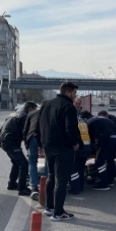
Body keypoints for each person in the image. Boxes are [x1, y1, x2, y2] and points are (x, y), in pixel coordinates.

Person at [36, 81, 81, 221]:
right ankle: (58, 212)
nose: (75, 96)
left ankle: (49, 208)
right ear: (68, 92)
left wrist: (40, 144)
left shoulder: (47, 104)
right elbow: (71, 128)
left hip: (48, 146)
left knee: (51, 176)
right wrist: (75, 142)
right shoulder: (68, 107)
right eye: (74, 93)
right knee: (61, 181)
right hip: (63, 148)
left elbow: (39, 125)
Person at [0, 101, 38, 196]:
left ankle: (11, 184)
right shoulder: (25, 116)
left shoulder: (14, 114)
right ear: (30, 109)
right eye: (34, 111)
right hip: (11, 142)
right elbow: (26, 133)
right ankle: (22, 188)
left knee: (16, 162)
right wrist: (29, 147)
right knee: (24, 164)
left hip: (4, 140)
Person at [80, 110, 116, 191]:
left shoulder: (90, 123)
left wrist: (95, 149)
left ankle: (103, 183)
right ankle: (110, 180)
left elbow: (91, 139)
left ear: (85, 119)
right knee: (110, 160)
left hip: (109, 140)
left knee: (99, 161)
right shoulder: (98, 118)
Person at [22, 100, 48, 200]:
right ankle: (45, 185)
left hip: (32, 137)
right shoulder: (50, 113)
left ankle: (34, 188)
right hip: (45, 138)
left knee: (32, 162)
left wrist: (26, 144)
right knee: (48, 162)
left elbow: (25, 130)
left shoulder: (32, 113)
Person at [74, 97, 91, 193]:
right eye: (76, 103)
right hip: (86, 147)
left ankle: (76, 188)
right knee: (80, 168)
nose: (78, 104)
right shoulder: (83, 121)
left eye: (79, 103)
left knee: (75, 168)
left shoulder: (77, 119)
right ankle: (80, 186)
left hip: (80, 147)